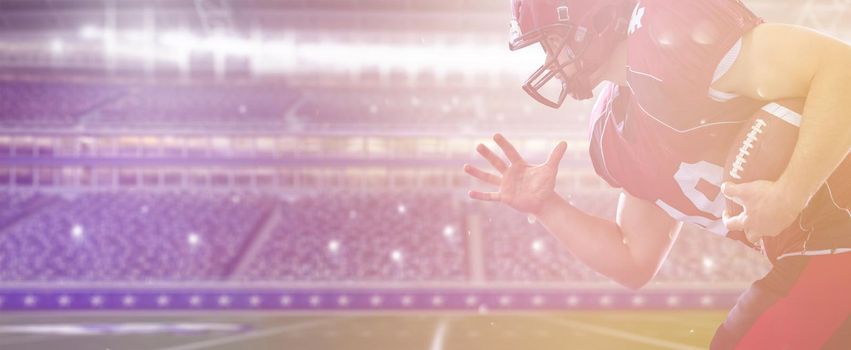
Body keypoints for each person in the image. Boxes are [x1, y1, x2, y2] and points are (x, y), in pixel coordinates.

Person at [463, 0, 851, 348]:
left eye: (551, 42)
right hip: (814, 247)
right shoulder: (614, 134)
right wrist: (547, 207)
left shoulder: (670, 31)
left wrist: (789, 194)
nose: (549, 61)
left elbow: (842, 71)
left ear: (591, 19)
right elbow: (634, 260)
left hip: (835, 229)